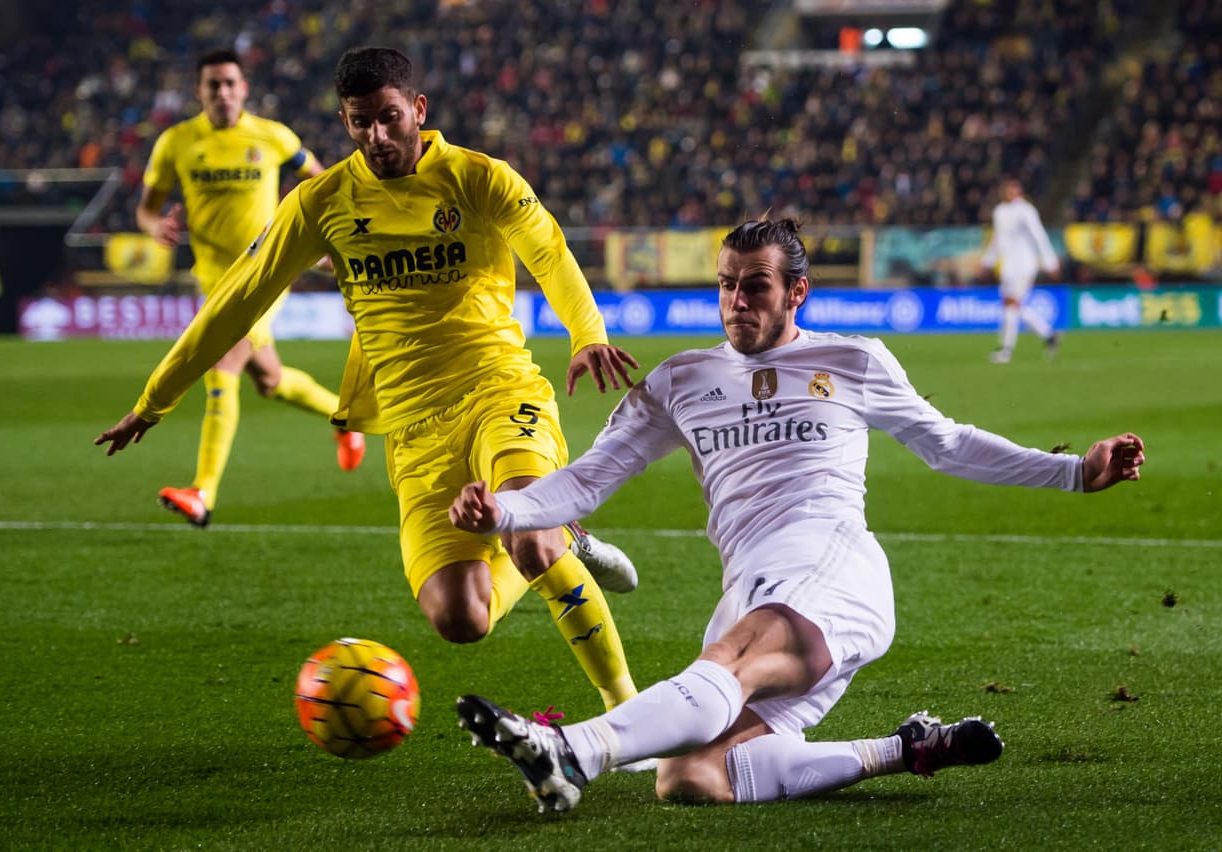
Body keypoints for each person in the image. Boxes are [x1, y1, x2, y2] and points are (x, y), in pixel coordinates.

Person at [449, 218, 1146, 813]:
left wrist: (1076, 474)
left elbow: (947, 444)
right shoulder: (679, 382)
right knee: (690, 776)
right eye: (726, 283)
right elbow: (587, 481)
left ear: (796, 292)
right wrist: (501, 509)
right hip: (748, 586)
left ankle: (574, 751)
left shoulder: (851, 360)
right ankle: (901, 750)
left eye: (755, 285)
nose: (737, 300)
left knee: (729, 664)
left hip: (829, 564)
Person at [97, 46, 645, 714]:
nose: (377, 137)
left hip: (499, 390)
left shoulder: (479, 178)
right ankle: (568, 543)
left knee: (529, 535)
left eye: (389, 118)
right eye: (361, 123)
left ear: (418, 108)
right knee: (461, 618)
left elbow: (550, 253)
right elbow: (234, 302)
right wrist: (154, 401)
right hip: (412, 426)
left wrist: (588, 335)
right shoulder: (322, 203)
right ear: (345, 121)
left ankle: (630, 710)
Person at [135, 47, 366, 528]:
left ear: (243, 89)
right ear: (198, 91)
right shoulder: (175, 143)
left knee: (222, 364)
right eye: (212, 84)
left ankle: (202, 492)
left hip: (265, 272)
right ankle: (348, 420)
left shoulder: (273, 136)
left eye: (229, 83)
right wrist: (154, 224)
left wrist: (319, 230)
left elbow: (320, 180)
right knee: (269, 381)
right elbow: (147, 207)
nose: (222, 92)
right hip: (212, 279)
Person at [979, 177, 1062, 364]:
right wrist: (987, 262)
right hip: (1008, 267)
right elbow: (997, 240)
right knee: (1013, 306)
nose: (1011, 193)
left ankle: (1006, 351)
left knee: (1011, 305)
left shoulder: (1026, 210)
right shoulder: (999, 211)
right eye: (1008, 190)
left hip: (1024, 265)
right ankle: (1049, 335)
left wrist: (1050, 262)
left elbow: (1038, 235)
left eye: (1015, 190)